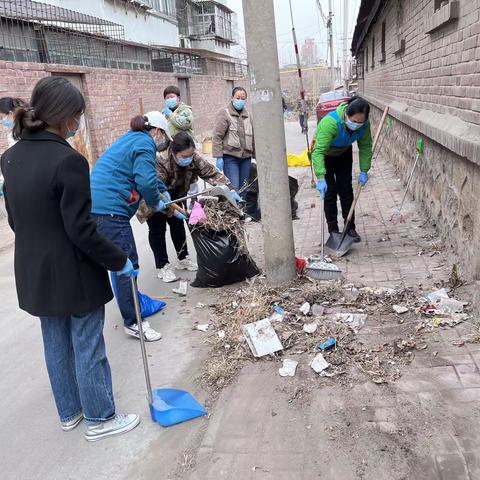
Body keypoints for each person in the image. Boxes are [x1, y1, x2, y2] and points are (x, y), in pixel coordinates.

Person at [0, 76, 140, 441]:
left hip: (35, 270)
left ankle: (70, 412)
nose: (78, 123)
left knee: (55, 342)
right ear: (65, 116)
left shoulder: (9, 159)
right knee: (87, 342)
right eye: (77, 115)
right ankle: (100, 417)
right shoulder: (68, 161)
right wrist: (118, 260)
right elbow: (82, 230)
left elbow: (15, 220)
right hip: (73, 272)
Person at [91, 111, 173, 342]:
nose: (163, 142)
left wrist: (162, 188)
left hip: (96, 206)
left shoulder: (131, 139)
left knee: (119, 262)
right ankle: (133, 321)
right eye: (164, 136)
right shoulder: (145, 142)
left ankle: (131, 308)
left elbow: (142, 174)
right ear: (156, 131)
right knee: (126, 264)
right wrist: (157, 202)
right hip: (110, 209)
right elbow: (145, 181)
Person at [139, 132, 239, 282]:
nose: (189, 159)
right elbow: (154, 189)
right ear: (174, 153)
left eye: (191, 155)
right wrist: (170, 209)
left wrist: (229, 189)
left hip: (177, 194)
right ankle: (162, 266)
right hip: (155, 198)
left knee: (178, 225)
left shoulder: (193, 158)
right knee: (157, 229)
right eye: (184, 157)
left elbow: (211, 172)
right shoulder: (161, 160)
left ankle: (182, 257)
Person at [312, 96, 373, 242]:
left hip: (343, 153)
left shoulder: (364, 125)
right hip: (324, 155)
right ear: (347, 114)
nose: (357, 125)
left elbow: (365, 146)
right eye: (354, 121)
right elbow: (318, 151)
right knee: (330, 192)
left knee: (346, 190)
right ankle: (333, 230)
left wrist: (364, 170)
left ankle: (350, 228)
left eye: (360, 122)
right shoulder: (331, 123)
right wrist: (320, 177)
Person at [213, 86, 254, 194]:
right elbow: (217, 136)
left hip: (246, 158)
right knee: (233, 188)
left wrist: (257, 156)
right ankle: (234, 210)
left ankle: (242, 210)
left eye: (243, 98)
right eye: (238, 98)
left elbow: (253, 137)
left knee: (244, 188)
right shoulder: (224, 113)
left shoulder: (248, 115)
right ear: (232, 98)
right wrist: (218, 156)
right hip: (230, 158)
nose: (240, 100)